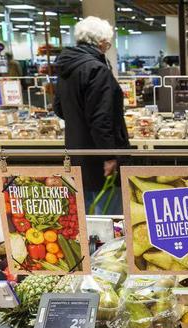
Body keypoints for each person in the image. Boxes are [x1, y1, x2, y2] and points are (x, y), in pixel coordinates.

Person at [53, 16, 129, 215]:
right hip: (98, 159)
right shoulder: (96, 70)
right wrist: (110, 156)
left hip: (76, 152)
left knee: (86, 214)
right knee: (109, 215)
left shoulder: (66, 67)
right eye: (108, 43)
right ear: (101, 42)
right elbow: (101, 119)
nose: (107, 47)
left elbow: (59, 108)